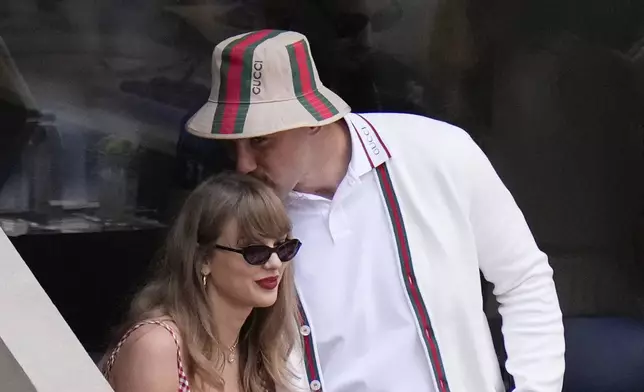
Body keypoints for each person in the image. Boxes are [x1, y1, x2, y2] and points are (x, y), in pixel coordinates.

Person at [185, 30, 565, 392]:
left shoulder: (438, 152)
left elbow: (523, 279)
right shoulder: (240, 217)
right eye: (232, 146)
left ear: (314, 120)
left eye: (260, 140)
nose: (243, 164)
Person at [100, 172, 306, 392]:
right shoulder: (158, 347)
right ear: (203, 258)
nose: (274, 263)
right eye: (254, 251)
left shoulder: (260, 347)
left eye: (283, 247)